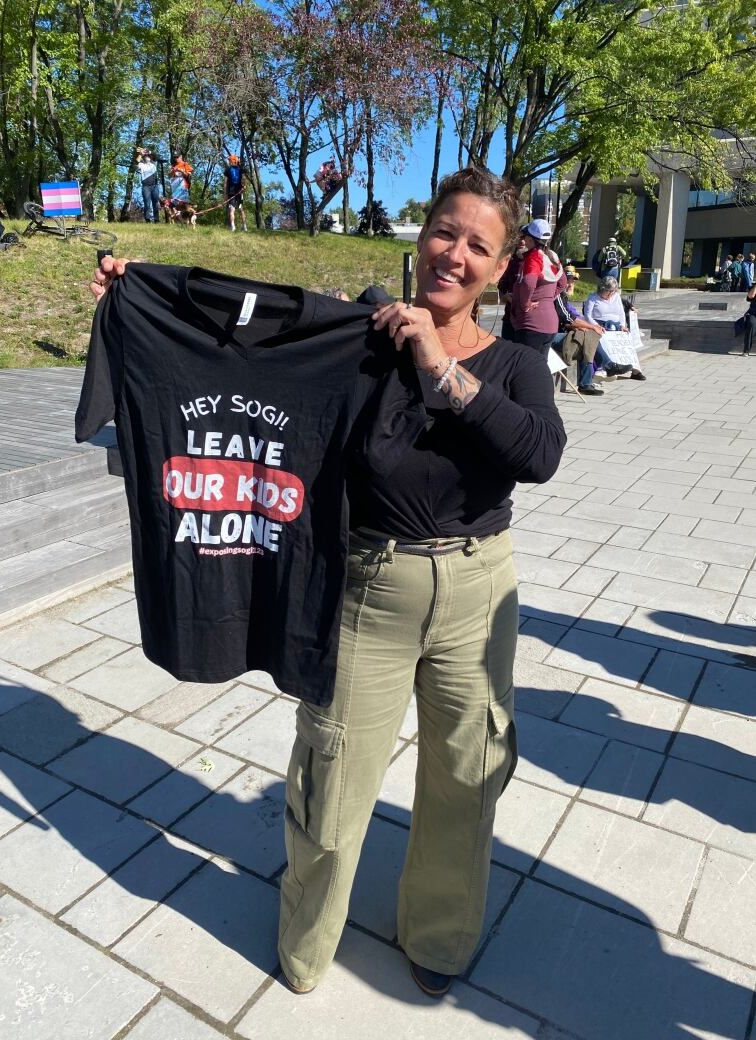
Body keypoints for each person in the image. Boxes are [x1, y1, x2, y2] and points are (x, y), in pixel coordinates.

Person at [90, 165, 566, 999]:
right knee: (332, 780)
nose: (453, 254)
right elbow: (254, 337)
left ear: (498, 268)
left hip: (476, 594)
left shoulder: (517, 363)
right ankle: (307, 945)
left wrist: (438, 362)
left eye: (477, 246)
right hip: (368, 590)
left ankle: (441, 939)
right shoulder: (363, 343)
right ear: (422, 235)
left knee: (466, 777)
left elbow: (539, 454)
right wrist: (149, 295)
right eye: (444, 232)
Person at [552, 266, 631, 396]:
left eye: (573, 281)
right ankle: (602, 370)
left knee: (588, 337)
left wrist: (582, 327)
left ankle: (593, 378)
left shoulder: (562, 296)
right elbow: (567, 318)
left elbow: (567, 320)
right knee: (587, 337)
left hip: (561, 331)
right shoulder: (557, 295)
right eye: (569, 280)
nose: (572, 283)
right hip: (549, 336)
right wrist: (591, 326)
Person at [510, 218, 567, 357]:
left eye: (525, 236)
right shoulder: (552, 256)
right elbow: (563, 282)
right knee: (540, 367)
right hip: (550, 323)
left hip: (532, 324)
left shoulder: (534, 257)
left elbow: (529, 282)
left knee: (526, 369)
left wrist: (525, 303)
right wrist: (548, 298)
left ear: (530, 239)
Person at [224, 154, 248, 232]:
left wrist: (225, 193)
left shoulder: (228, 170)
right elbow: (244, 179)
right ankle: (244, 227)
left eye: (229, 160)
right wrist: (244, 186)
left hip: (231, 193)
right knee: (241, 209)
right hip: (239, 192)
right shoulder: (240, 169)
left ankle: (233, 227)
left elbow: (225, 182)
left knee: (232, 210)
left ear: (232, 161)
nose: (229, 162)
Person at [136, 149, 160, 223]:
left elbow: (155, 155)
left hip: (155, 186)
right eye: (145, 156)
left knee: (155, 203)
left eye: (148, 156)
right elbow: (137, 161)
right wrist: (141, 154)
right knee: (147, 203)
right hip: (145, 187)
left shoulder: (154, 163)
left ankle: (156, 219)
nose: (147, 157)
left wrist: (149, 152)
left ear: (150, 158)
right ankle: (147, 219)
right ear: (144, 158)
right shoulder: (142, 165)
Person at [741, 283, 756, 356]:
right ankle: (746, 350)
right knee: (751, 324)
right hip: (754, 313)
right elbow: (750, 296)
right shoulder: (753, 287)